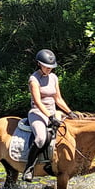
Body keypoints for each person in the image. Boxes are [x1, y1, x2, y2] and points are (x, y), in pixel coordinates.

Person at [22, 49, 78, 182]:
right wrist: (49, 116)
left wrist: (70, 112)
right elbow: (37, 102)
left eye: (51, 67)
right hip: (37, 112)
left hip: (53, 112)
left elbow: (58, 99)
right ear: (39, 64)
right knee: (41, 138)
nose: (49, 69)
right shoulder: (33, 79)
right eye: (47, 67)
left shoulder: (53, 77)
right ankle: (29, 168)